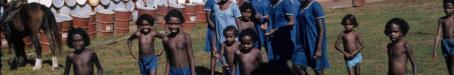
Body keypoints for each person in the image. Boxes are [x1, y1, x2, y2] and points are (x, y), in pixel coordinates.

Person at [293, 0, 329, 74]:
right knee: (296, 64)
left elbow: (321, 29)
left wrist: (318, 49)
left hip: (314, 42)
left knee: (318, 70)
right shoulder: (301, 7)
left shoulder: (315, 6)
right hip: (302, 44)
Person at [212, 0, 242, 74]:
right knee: (225, 64)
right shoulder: (215, 7)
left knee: (235, 64)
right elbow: (216, 27)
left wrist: (240, 41)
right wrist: (214, 44)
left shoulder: (233, 6)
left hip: (233, 41)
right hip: (222, 41)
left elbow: (239, 26)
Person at [162, 9, 196, 75]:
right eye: (171, 24)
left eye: (176, 24)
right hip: (172, 71)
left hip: (185, 71)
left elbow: (191, 59)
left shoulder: (186, 37)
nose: (173, 26)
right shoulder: (166, 40)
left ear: (181, 23)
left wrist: (193, 73)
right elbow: (168, 59)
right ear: (167, 23)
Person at [433, 0, 454, 74]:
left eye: (449, 8)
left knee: (452, 66)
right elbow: (438, 34)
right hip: (445, 44)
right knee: (449, 68)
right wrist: (434, 50)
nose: (446, 10)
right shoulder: (442, 20)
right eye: (445, 7)